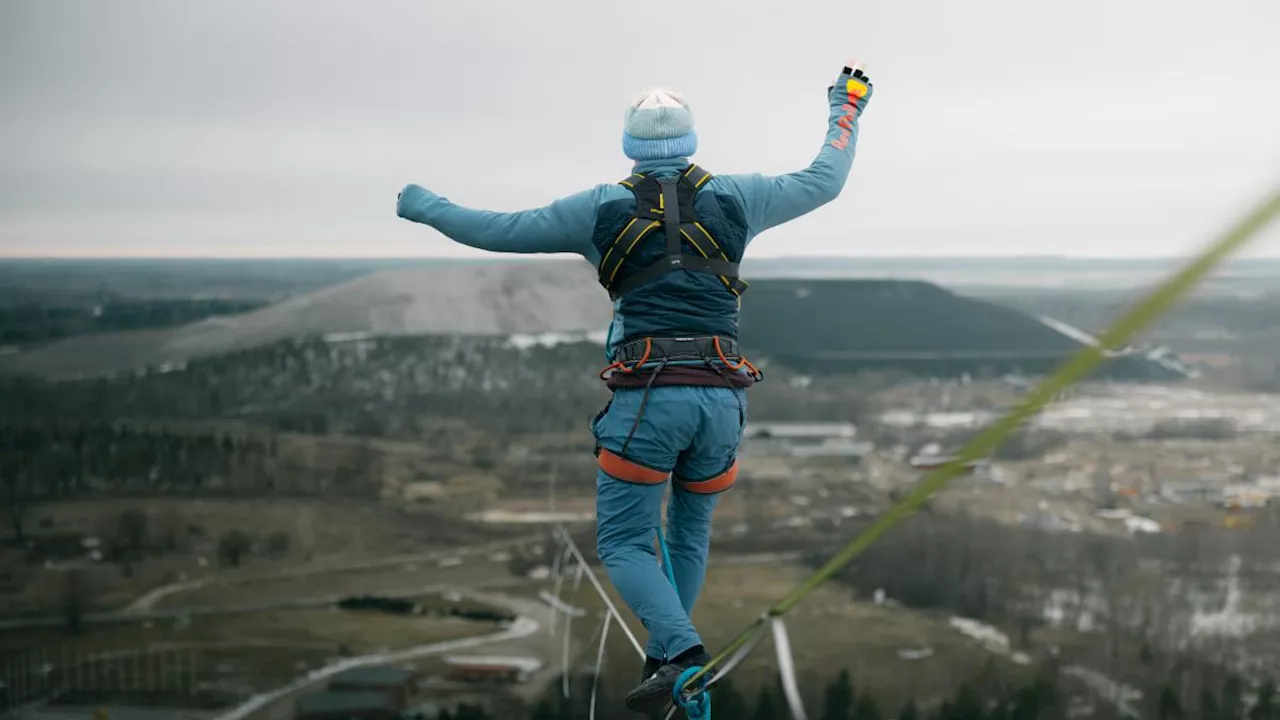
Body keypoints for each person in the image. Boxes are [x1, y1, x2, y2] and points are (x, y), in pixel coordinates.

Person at [396, 63, 873, 712]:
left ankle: (679, 654)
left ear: (631, 148)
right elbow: (825, 179)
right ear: (690, 142)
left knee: (624, 542)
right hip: (723, 400)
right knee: (688, 536)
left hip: (648, 399)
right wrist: (846, 107)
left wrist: (422, 205)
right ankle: (667, 657)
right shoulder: (740, 197)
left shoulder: (596, 211)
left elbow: (494, 229)